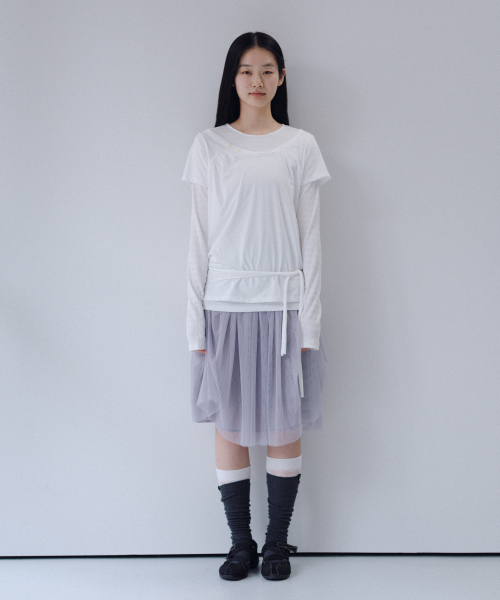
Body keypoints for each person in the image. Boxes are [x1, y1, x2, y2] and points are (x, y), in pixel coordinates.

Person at [182, 31, 330, 581]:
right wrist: (194, 328)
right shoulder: (209, 146)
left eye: (268, 70)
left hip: (285, 307)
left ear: (281, 78)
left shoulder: (300, 145)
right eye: (246, 70)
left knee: (284, 423)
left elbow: (311, 243)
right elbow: (198, 241)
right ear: (233, 78)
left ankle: (276, 543)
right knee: (229, 426)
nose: (257, 80)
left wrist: (309, 324)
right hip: (225, 306)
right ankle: (240, 543)